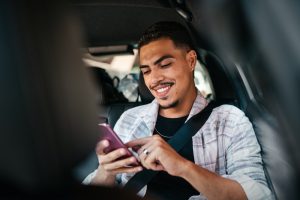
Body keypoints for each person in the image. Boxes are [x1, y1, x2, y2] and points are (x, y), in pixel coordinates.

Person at [83, 21, 273, 200]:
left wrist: (183, 167)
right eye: (146, 71)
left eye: (165, 65)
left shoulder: (230, 120)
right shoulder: (130, 119)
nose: (154, 79)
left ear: (191, 61)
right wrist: (105, 171)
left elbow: (257, 195)